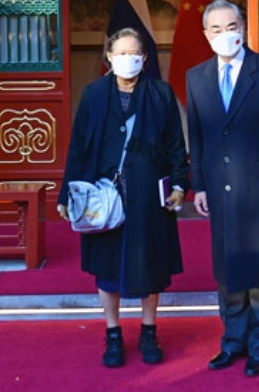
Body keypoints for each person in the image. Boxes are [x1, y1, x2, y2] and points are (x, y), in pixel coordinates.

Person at [57, 27, 189, 368]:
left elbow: (176, 144)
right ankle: (113, 333)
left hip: (148, 196)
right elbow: (79, 145)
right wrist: (66, 192)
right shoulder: (94, 94)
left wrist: (179, 184)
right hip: (104, 195)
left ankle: (148, 331)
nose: (127, 59)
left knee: (152, 265)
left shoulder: (160, 93)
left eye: (134, 53)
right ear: (109, 58)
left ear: (144, 58)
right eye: (120, 53)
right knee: (107, 267)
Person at [185, 0, 259, 378]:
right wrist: (197, 185)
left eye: (231, 26)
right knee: (229, 272)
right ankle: (232, 343)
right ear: (206, 35)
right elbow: (197, 138)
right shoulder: (196, 76)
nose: (224, 35)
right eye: (215, 29)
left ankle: (258, 348)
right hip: (220, 190)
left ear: (243, 27)